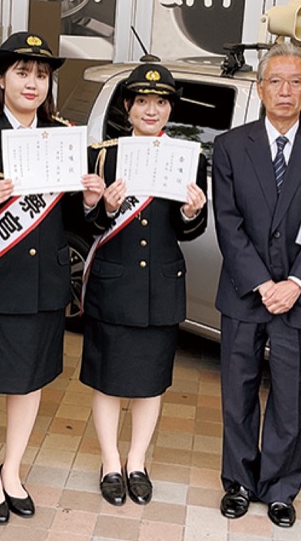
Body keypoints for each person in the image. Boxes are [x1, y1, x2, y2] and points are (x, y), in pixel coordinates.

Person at [0, 32, 105, 526]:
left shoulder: (64, 134)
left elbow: (76, 221)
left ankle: (11, 469)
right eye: (22, 72)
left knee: (29, 380)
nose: (32, 82)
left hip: (43, 282)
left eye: (41, 74)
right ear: (0, 77)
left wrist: (92, 203)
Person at [212, 43, 301, 527]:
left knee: (291, 397)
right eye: (275, 81)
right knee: (238, 391)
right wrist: (260, 283)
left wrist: (295, 282)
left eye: (295, 82)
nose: (285, 91)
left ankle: (280, 487)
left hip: (300, 296)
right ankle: (238, 482)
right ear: (259, 88)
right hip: (244, 291)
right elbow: (228, 222)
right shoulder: (231, 146)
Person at [82, 64, 208, 507]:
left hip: (160, 285)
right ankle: (110, 462)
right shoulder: (104, 156)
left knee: (151, 382)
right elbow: (85, 223)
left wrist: (191, 212)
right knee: (107, 380)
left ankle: (136, 462)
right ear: (128, 107)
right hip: (113, 283)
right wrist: (104, 208)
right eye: (141, 102)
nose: (150, 110)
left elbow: (189, 228)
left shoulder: (188, 158)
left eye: (160, 102)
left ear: (170, 109)